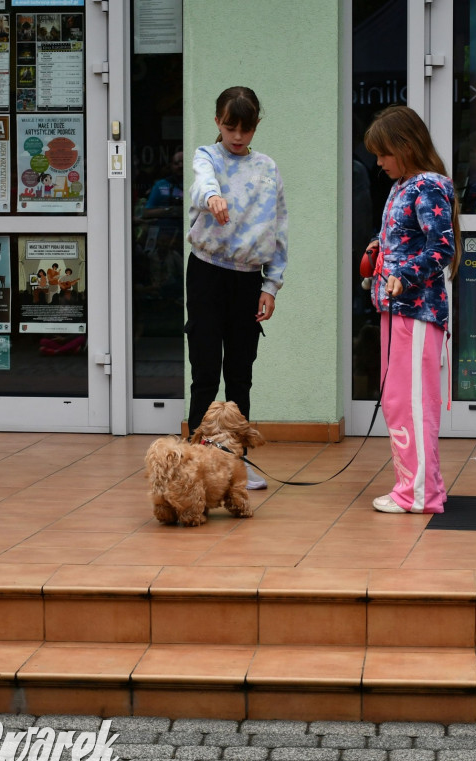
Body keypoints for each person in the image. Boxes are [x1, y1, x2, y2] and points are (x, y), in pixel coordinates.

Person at [186, 86, 288, 490]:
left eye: (246, 128)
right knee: (205, 371)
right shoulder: (207, 156)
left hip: (249, 278)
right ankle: (193, 459)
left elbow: (279, 229)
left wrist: (272, 285)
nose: (238, 136)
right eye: (230, 127)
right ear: (217, 122)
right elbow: (201, 183)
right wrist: (212, 197)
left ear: (256, 126)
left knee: (240, 374)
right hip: (207, 272)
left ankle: (235, 464)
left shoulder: (268, 168)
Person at [363, 105, 459, 514]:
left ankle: (419, 494)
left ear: (405, 146)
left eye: (384, 153)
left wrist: (405, 274)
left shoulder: (429, 185)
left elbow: (441, 248)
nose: (379, 161)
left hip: (417, 310)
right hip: (396, 308)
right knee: (400, 400)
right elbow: (408, 237)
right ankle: (418, 486)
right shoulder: (404, 184)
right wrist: (378, 247)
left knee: (414, 402)